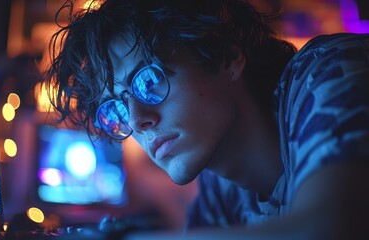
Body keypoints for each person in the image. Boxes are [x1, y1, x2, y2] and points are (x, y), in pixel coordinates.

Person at [42, 0, 369, 238]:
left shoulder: (330, 70)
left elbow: (330, 228)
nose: (138, 120)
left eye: (148, 81)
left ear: (226, 55)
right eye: (117, 109)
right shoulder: (221, 187)